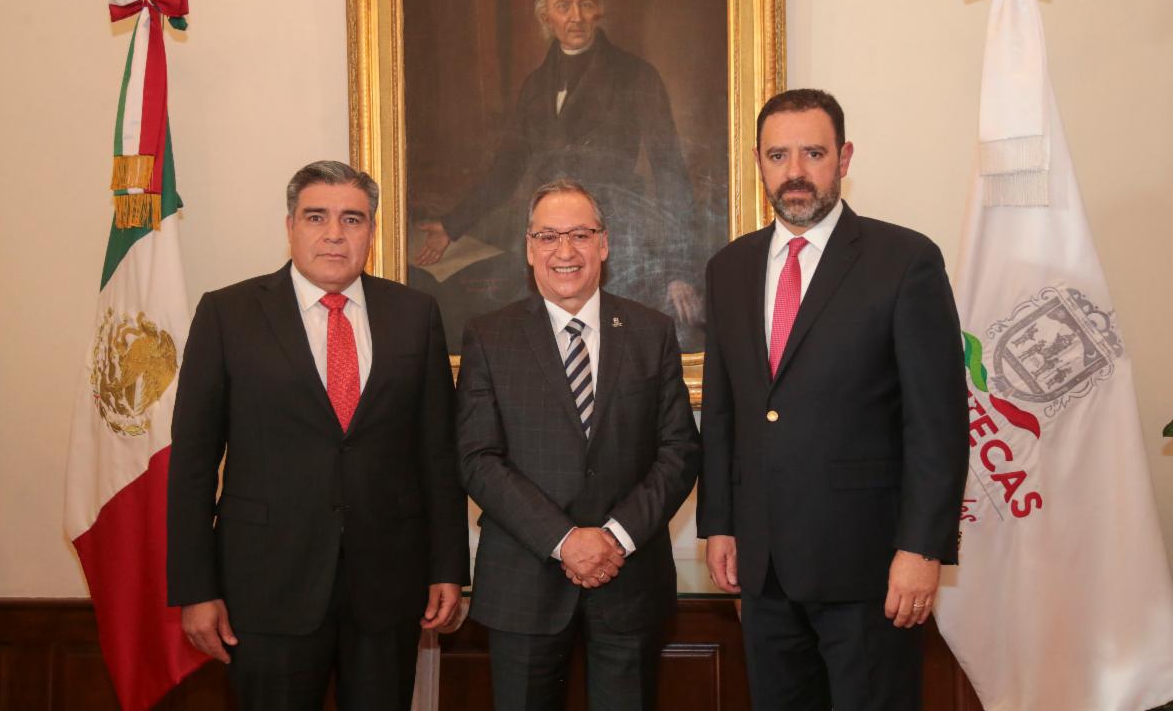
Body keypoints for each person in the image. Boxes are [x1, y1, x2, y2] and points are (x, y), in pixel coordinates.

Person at [696, 90, 968, 710]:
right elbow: (724, 410)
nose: (795, 171)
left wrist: (922, 549)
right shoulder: (729, 268)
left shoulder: (905, 261)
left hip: (870, 569)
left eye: (813, 153)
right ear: (759, 163)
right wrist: (720, 523)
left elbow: (938, 424)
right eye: (778, 155)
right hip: (763, 568)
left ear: (843, 159)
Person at [166, 160, 469, 710]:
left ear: (371, 231)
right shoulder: (228, 314)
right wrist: (196, 589)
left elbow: (438, 454)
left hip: (389, 587)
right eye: (316, 217)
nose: (334, 233)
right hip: (265, 586)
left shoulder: (415, 314)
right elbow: (191, 464)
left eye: (352, 219)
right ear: (290, 226)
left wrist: (448, 567)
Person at [457, 180, 701, 710]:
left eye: (580, 235)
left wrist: (614, 537)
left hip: (629, 582)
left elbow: (679, 451)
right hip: (524, 585)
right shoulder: (489, 336)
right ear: (529, 248)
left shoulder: (651, 331)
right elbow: (478, 460)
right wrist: (564, 540)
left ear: (604, 244)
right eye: (548, 236)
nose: (563, 251)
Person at [414, 0, 702, 333]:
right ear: (545, 16)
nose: (576, 17)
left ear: (598, 10)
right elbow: (506, 171)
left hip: (617, 245)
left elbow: (670, 174)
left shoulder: (636, 75)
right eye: (564, 6)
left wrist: (679, 269)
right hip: (550, 245)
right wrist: (452, 226)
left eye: (585, 4)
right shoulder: (536, 86)